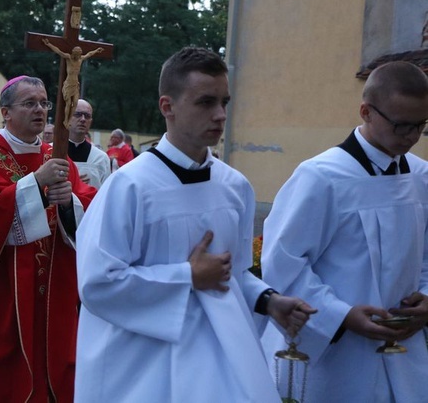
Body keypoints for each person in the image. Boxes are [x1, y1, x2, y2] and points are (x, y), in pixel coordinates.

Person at [75, 47, 316, 402]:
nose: (220, 115)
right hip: (145, 366)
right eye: (205, 102)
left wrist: (269, 301)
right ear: (167, 106)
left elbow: (233, 274)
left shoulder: (235, 187)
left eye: (224, 102)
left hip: (220, 359)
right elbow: (98, 284)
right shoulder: (129, 187)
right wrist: (186, 276)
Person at [260, 61, 428, 402]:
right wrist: (341, 316)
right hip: (339, 358)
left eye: (421, 125)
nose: (411, 137)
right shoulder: (321, 177)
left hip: (406, 351)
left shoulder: (421, 177)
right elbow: (283, 262)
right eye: (401, 126)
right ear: (366, 111)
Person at [0, 75, 97, 403]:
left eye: (43, 103)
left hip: (55, 287)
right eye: (29, 103)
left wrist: (70, 203)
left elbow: (90, 211)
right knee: (5, 372)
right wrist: (36, 182)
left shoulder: (58, 155)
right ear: (5, 112)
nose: (39, 109)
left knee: (56, 361)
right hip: (4, 288)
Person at [41, 38, 103, 126]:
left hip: (75, 84)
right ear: (74, 53)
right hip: (68, 83)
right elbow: (58, 51)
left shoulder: (80, 59)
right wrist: (48, 44)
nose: (78, 55)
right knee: (68, 103)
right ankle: (65, 120)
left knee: (75, 103)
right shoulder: (69, 58)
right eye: (77, 53)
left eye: (79, 53)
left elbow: (89, 54)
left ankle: (70, 120)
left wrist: (96, 50)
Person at [67, 99, 110, 188]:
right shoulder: (51, 151)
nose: (83, 119)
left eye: (87, 116)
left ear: (91, 121)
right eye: (77, 114)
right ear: (68, 117)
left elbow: (105, 193)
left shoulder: (101, 158)